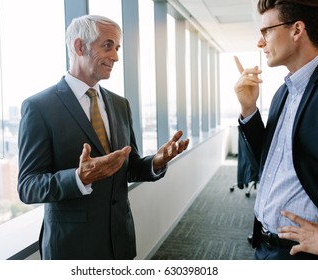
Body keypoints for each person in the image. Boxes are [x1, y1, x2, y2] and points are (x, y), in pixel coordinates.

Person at [17, 15, 189, 260]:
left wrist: (155, 162)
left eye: (117, 48)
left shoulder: (120, 104)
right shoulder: (39, 107)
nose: (116, 57)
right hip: (71, 248)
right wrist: (78, 178)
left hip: (119, 239)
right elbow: (28, 186)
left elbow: (127, 167)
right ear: (79, 47)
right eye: (107, 46)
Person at [234, 0, 318, 260]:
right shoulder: (283, 93)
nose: (260, 43)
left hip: (308, 255)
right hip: (266, 246)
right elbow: (266, 164)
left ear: (297, 30)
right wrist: (249, 110)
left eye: (266, 31)